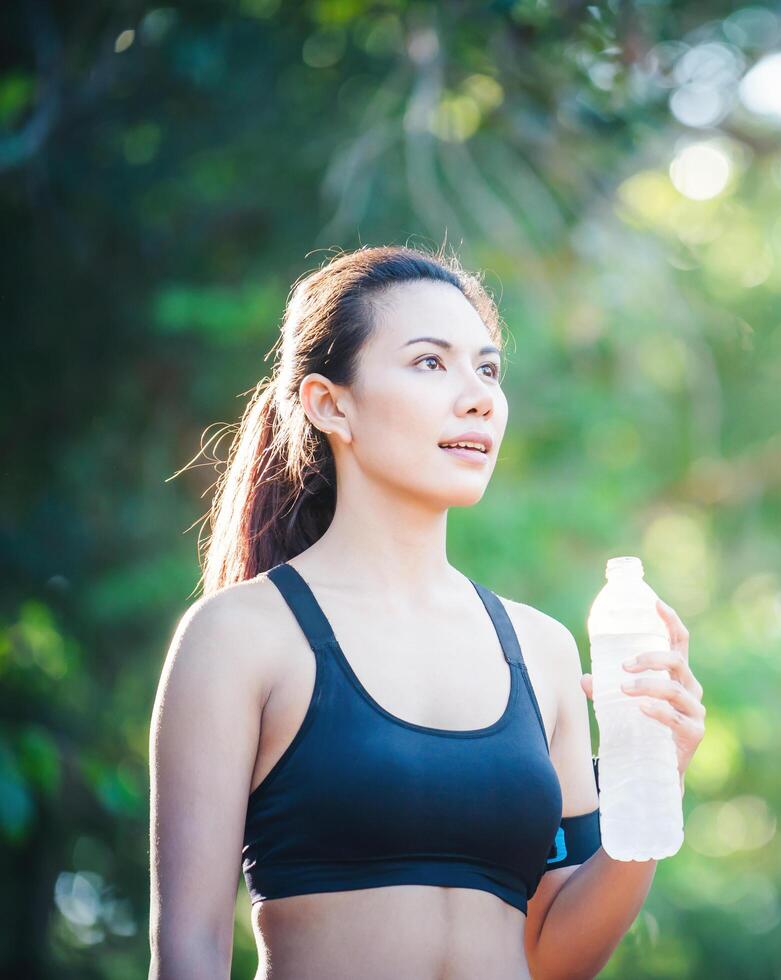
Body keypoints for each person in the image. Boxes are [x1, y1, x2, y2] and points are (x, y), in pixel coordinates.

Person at [147, 245, 706, 979]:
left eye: (487, 369)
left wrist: (651, 782)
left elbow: (554, 957)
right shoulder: (240, 636)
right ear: (329, 404)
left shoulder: (541, 648)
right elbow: (189, 952)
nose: (476, 396)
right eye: (429, 363)